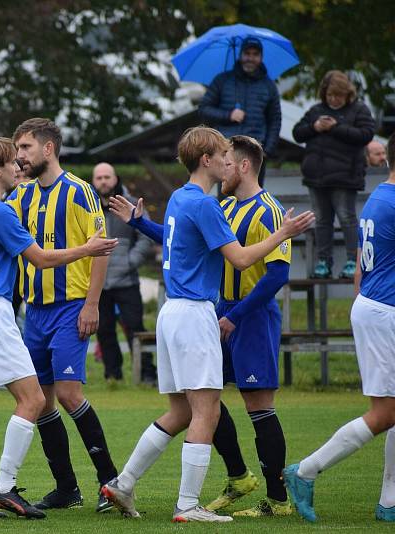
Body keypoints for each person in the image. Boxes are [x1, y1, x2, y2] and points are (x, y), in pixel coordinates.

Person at [103, 126, 313, 522]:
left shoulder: (182, 199)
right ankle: (188, 505)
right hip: (197, 313)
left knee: (181, 413)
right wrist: (284, 233)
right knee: (207, 413)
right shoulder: (207, 204)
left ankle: (123, 483)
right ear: (207, 160)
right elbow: (241, 259)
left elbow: (176, 241)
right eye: (222, 155)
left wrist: (139, 222)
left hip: (172, 313)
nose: (226, 161)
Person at [0, 136, 116, 518]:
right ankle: (5, 488)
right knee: (34, 400)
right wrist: (87, 250)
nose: (18, 167)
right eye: (13, 162)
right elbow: (41, 259)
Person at [8, 118, 118, 512]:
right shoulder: (21, 197)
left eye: (25, 148)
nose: (18, 156)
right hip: (34, 313)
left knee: (70, 394)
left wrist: (92, 304)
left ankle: (111, 484)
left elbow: (101, 247)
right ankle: (67, 488)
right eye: (17, 149)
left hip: (71, 307)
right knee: (38, 400)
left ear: (48, 148)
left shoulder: (79, 192)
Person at [284, 134, 395, 524]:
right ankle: (306, 471)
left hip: (376, 307)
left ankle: (389, 502)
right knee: (384, 413)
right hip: (384, 312)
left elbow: (364, 269)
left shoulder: (380, 196)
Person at [198, 136, 293, 518]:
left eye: (226, 161)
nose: (221, 169)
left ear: (243, 166)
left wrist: (235, 317)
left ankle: (278, 500)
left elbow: (277, 275)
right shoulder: (225, 207)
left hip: (251, 317)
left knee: (259, 406)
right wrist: (142, 224)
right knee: (202, 395)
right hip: (224, 312)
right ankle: (238, 476)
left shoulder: (268, 209)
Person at [293, 70, 376, 279]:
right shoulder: (315, 111)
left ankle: (352, 261)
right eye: (329, 95)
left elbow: (366, 134)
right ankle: (323, 262)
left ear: (347, 94)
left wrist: (336, 127)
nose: (333, 99)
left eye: (338, 95)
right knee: (321, 220)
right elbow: (297, 132)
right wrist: (314, 126)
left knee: (347, 219)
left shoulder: (359, 110)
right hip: (316, 177)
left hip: (345, 177)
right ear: (324, 94)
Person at [90, 162, 154, 384]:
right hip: (98, 284)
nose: (103, 181)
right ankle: (112, 376)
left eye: (107, 177)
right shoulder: (87, 206)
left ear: (116, 179)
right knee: (104, 331)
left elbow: (147, 237)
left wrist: (130, 261)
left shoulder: (133, 204)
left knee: (135, 328)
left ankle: (147, 374)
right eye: (99, 178)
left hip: (127, 281)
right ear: (93, 181)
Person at [199, 36, 282, 184]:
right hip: (227, 149)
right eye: (247, 53)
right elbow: (204, 109)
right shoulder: (222, 80)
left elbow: (275, 119)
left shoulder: (269, 86)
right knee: (227, 198)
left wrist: (267, 150)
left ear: (261, 57)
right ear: (240, 55)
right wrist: (228, 115)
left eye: (255, 54)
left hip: (255, 152)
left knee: (253, 201)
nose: (250, 58)